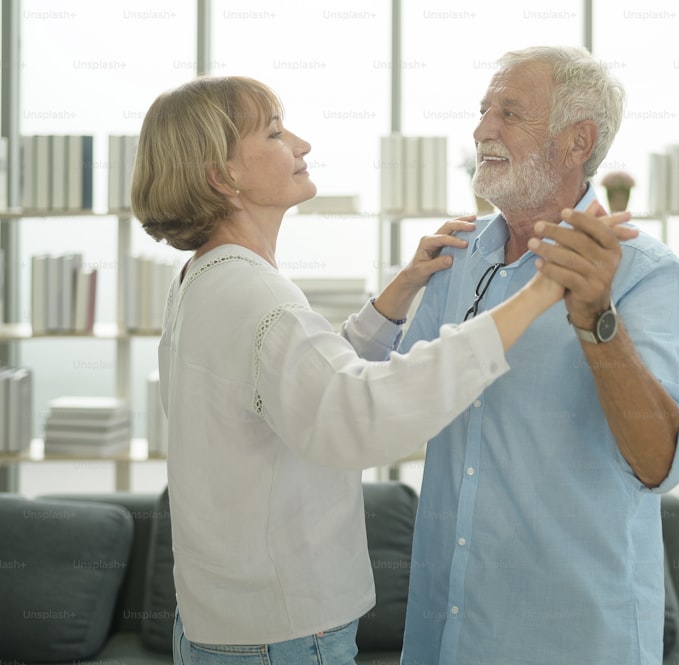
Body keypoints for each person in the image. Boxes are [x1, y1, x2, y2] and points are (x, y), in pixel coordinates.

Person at [129, 75, 635, 665]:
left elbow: (301, 390)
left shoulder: (206, 279)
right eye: (273, 132)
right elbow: (360, 415)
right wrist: (539, 292)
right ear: (223, 176)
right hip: (281, 637)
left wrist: (398, 293)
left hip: (223, 628)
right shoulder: (256, 298)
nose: (301, 144)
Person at [399, 46, 679, 665]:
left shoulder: (645, 272)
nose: (483, 129)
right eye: (483, 110)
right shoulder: (452, 260)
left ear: (576, 142)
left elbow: (660, 464)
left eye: (510, 113)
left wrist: (596, 319)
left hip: (574, 638)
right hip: (444, 631)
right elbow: (392, 405)